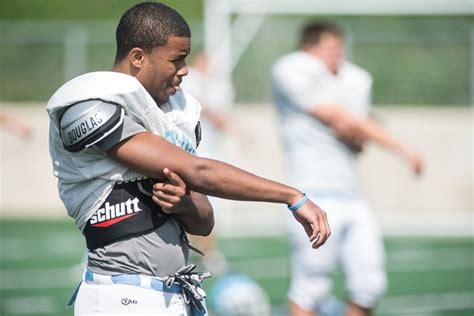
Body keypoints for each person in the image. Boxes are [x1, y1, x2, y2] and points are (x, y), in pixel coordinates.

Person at [46, 3, 330, 315]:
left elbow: (204, 221)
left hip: (173, 293)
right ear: (138, 57)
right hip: (121, 295)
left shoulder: (169, 115)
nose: (185, 69)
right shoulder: (87, 107)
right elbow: (199, 171)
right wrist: (291, 196)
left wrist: (184, 205)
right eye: (176, 59)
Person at [271, 21, 423, 316]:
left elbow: (356, 135)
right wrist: (401, 148)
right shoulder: (291, 69)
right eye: (329, 48)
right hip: (311, 192)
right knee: (310, 287)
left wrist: (355, 129)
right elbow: (340, 118)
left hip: (351, 193)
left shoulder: (353, 79)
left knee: (370, 284)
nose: (336, 55)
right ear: (309, 48)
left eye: (339, 48)